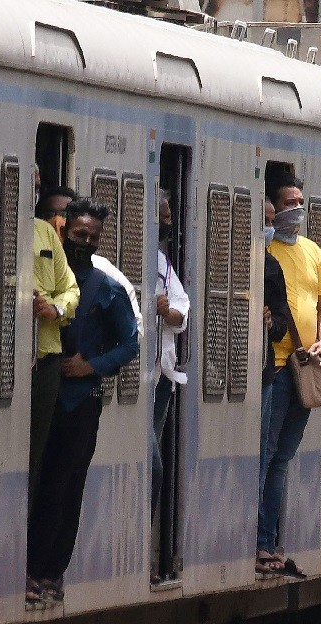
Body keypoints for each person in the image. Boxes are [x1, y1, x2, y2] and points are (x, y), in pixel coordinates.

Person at [26, 199, 139, 604]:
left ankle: (51, 572)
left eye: (92, 237)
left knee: (67, 488)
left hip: (80, 402)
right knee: (39, 483)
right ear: (63, 233)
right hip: (44, 397)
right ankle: (29, 569)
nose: (85, 243)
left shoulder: (107, 288)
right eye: (78, 235)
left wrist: (92, 366)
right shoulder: (46, 275)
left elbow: (130, 344)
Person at [256, 176, 321, 578]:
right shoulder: (263, 248)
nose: (296, 210)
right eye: (290, 202)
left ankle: (270, 540)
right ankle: (260, 542)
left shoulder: (312, 251)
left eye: (301, 201)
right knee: (266, 453)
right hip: (277, 365)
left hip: (305, 364)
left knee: (282, 457)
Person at [30, 209, 80, 509]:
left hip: (44, 358)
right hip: (0, 358)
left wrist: (54, 309)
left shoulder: (44, 232)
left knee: (35, 452)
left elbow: (70, 289)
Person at [37, 186, 143, 329]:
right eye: (49, 213)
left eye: (63, 214)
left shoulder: (104, 273)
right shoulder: (35, 265)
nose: (57, 221)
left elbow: (134, 328)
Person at [151, 190, 190, 519]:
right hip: (135, 376)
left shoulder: (162, 262)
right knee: (153, 464)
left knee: (155, 460)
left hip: (162, 374)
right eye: (162, 217)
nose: (168, 224)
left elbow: (182, 308)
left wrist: (167, 313)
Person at [261, 199, 291, 528]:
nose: (269, 227)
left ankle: (262, 538)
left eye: (272, 220)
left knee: (265, 454)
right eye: (263, 219)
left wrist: (271, 323)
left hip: (266, 373)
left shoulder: (272, 268)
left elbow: (282, 322)